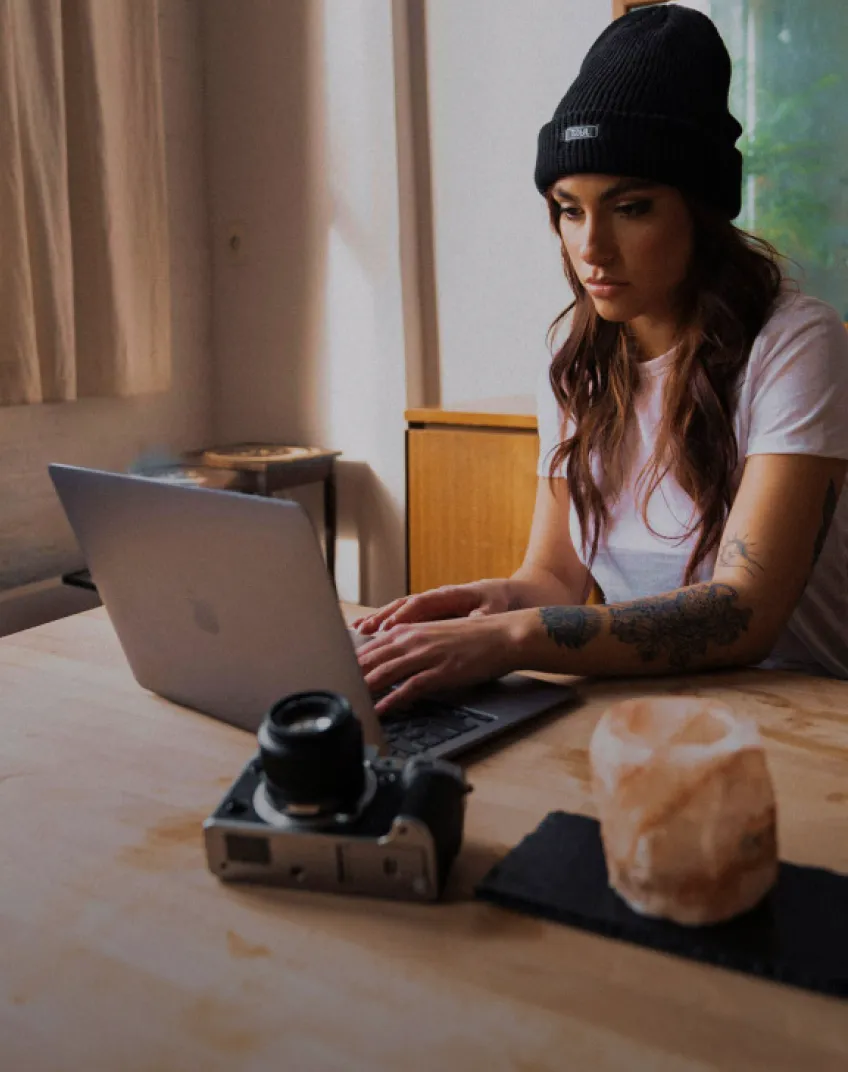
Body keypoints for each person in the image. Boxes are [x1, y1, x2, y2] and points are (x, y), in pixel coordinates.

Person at [354, 4, 848, 715]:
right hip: (647, 709)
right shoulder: (574, 359)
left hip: (802, 718)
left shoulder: (798, 342)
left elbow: (744, 611)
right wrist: (472, 612)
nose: (591, 248)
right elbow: (553, 580)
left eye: (632, 207)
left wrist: (513, 638)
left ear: (702, 208)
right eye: (568, 208)